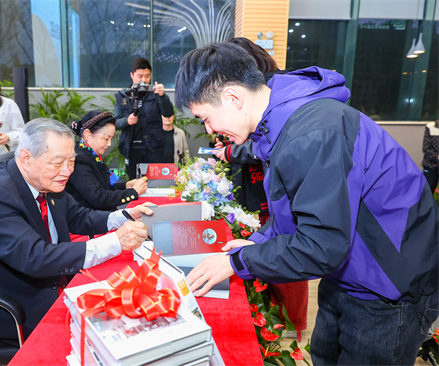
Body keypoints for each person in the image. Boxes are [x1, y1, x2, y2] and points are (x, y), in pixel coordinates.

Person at [175, 43, 438, 365]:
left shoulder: (311, 133)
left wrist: (236, 263)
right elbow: (299, 210)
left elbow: (321, 245)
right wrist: (256, 242)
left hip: (389, 286)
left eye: (206, 118)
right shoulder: (280, 126)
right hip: (351, 272)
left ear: (233, 97)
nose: (210, 130)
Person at [0, 118, 153, 345]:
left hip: (46, 287)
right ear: (26, 158)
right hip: (4, 310)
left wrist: (125, 217)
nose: (67, 171)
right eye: (57, 162)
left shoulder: (44, 181)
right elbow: (37, 257)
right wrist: (115, 242)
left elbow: (79, 216)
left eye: (71, 161)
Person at [214, 37, 307, 339]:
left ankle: (293, 322)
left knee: (291, 254)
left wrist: (230, 151)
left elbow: (311, 245)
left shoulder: (284, 111)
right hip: (264, 194)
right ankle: (281, 317)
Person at [66, 110, 148, 211]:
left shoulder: (91, 154)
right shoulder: (78, 159)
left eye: (111, 139)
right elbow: (98, 198)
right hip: (89, 222)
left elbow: (104, 187)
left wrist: (126, 186)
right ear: (87, 134)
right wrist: (133, 192)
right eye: (106, 139)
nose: (109, 144)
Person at [114, 57, 175, 179]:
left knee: (156, 182)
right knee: (135, 183)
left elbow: (168, 114)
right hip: (132, 149)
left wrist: (163, 96)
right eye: (140, 76)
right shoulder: (123, 96)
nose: (144, 80)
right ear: (132, 75)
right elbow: (115, 122)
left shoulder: (156, 93)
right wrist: (127, 121)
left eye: (147, 76)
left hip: (154, 148)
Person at [422, 119, 439, 195]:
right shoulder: (430, 126)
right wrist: (437, 157)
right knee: (427, 192)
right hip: (431, 165)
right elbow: (426, 148)